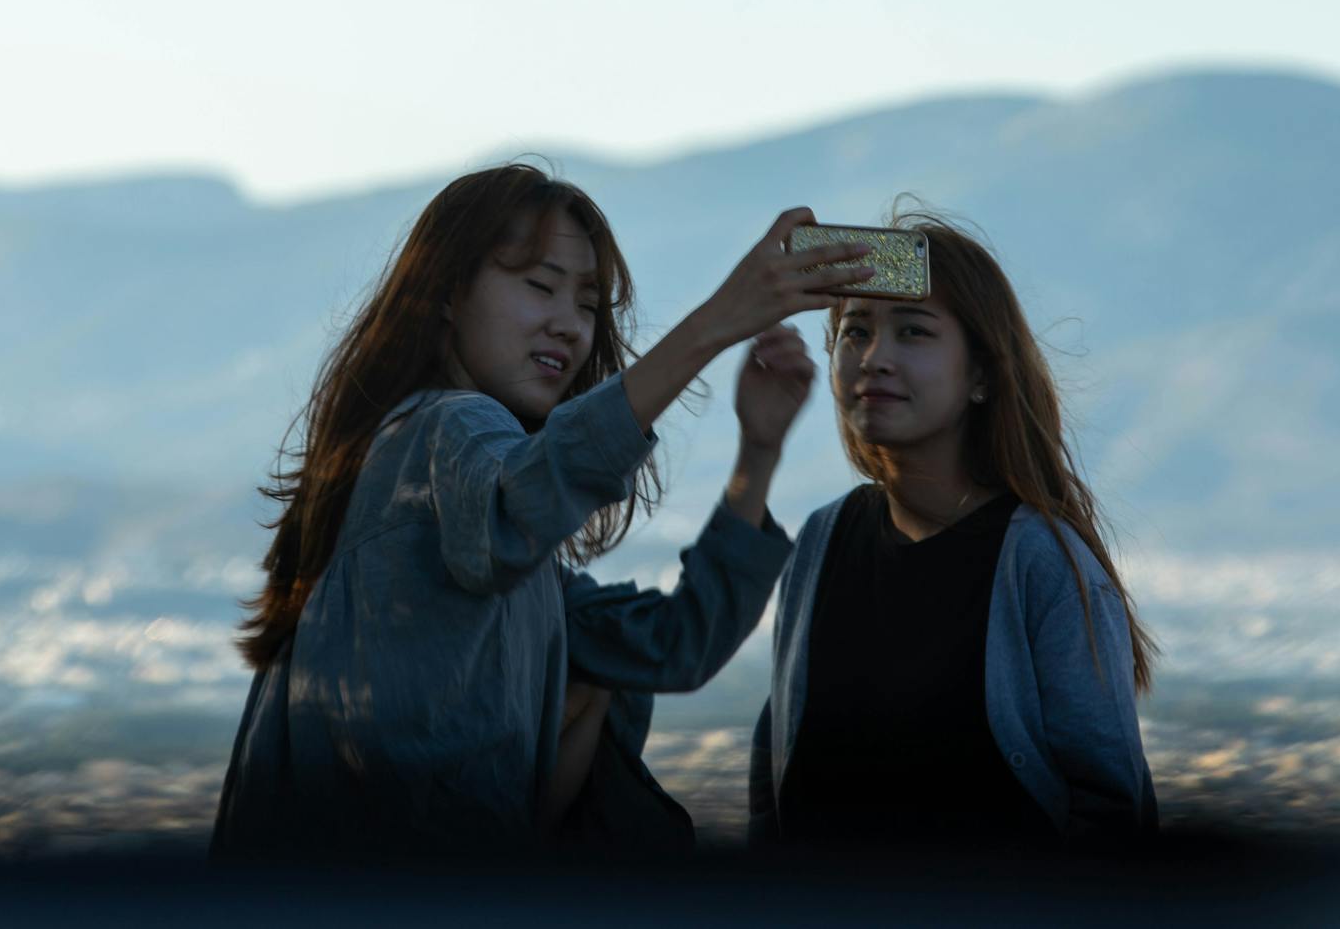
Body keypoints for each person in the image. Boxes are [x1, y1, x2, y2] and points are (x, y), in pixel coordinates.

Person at [209, 163, 872, 856]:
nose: (568, 324)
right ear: (447, 294)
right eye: (538, 285)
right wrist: (717, 323)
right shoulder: (440, 428)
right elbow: (519, 500)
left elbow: (676, 642)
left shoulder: (508, 557)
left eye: (587, 303)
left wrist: (758, 451)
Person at [749, 209, 1159, 847]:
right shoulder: (823, 539)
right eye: (855, 331)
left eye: (913, 331)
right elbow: (773, 777)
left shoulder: (1041, 562)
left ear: (981, 376)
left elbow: (1111, 813)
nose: (875, 358)